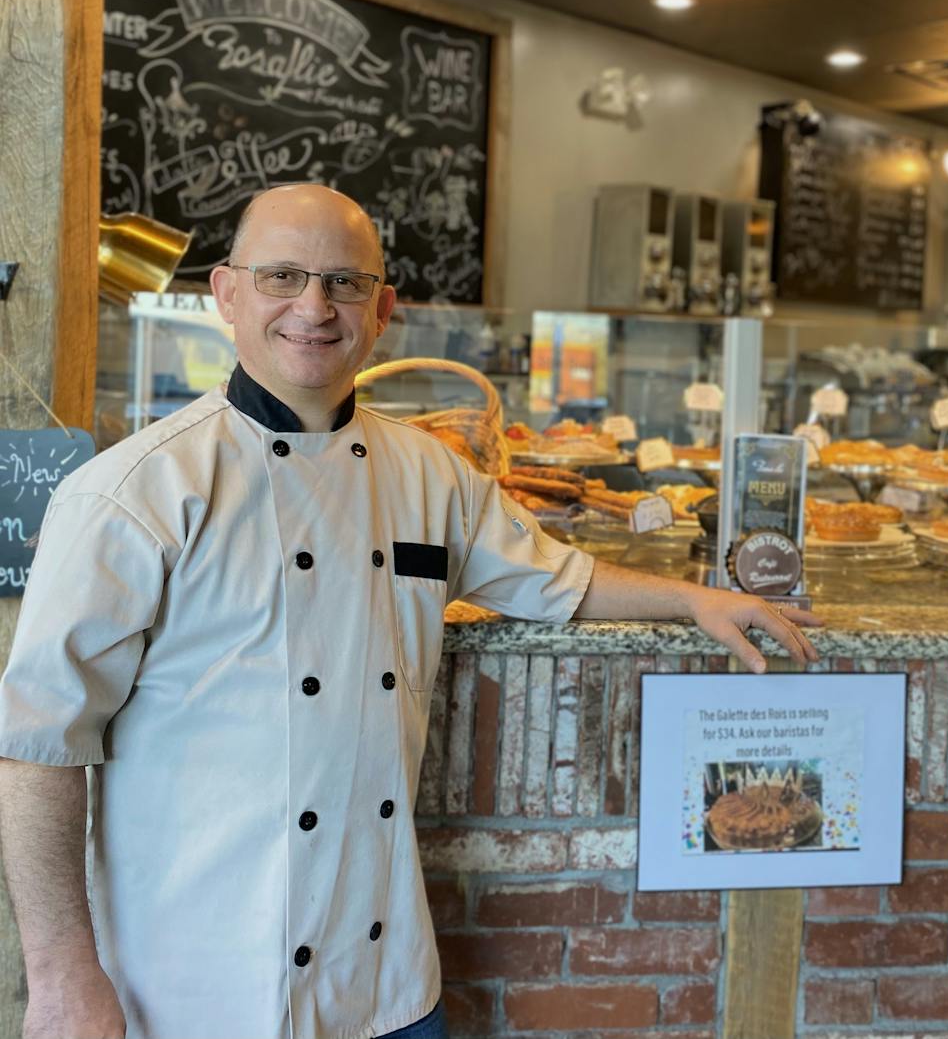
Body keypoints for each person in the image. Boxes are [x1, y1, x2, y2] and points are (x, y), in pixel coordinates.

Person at [0, 184, 820, 1039]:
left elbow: (557, 576)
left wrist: (694, 598)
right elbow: (36, 750)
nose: (313, 307)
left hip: (387, 984)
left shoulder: (428, 473)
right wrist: (60, 979)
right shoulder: (132, 494)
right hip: (191, 987)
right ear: (226, 294)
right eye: (282, 276)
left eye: (345, 284)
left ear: (383, 308)